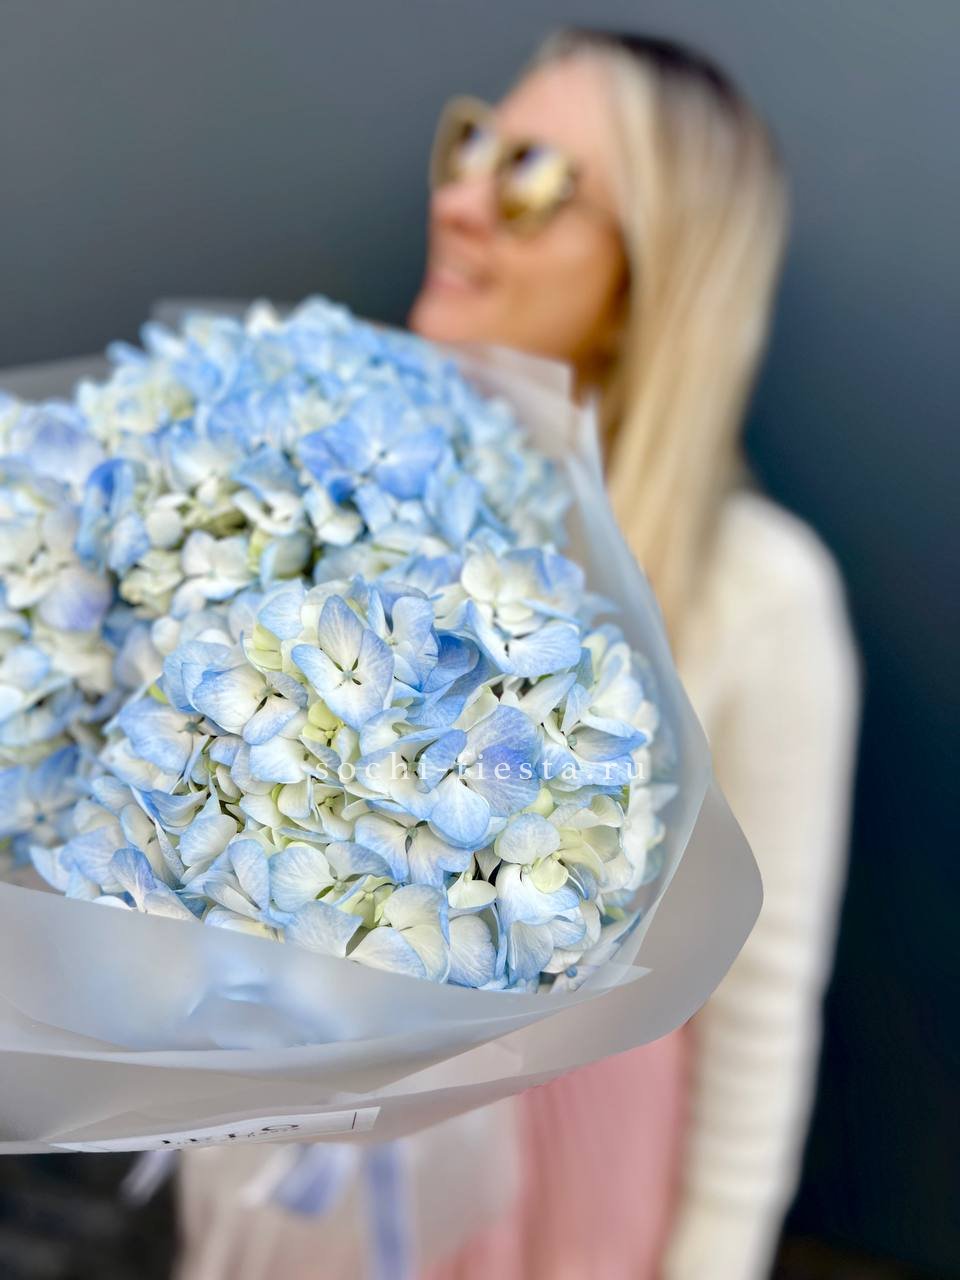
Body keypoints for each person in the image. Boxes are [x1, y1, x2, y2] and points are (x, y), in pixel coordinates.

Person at [177, 28, 860, 1280]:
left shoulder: (757, 593)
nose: (459, 198)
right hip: (307, 1173)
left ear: (649, 274)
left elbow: (761, 999)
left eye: (535, 178)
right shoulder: (323, 496)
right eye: (473, 144)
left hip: (561, 1201)